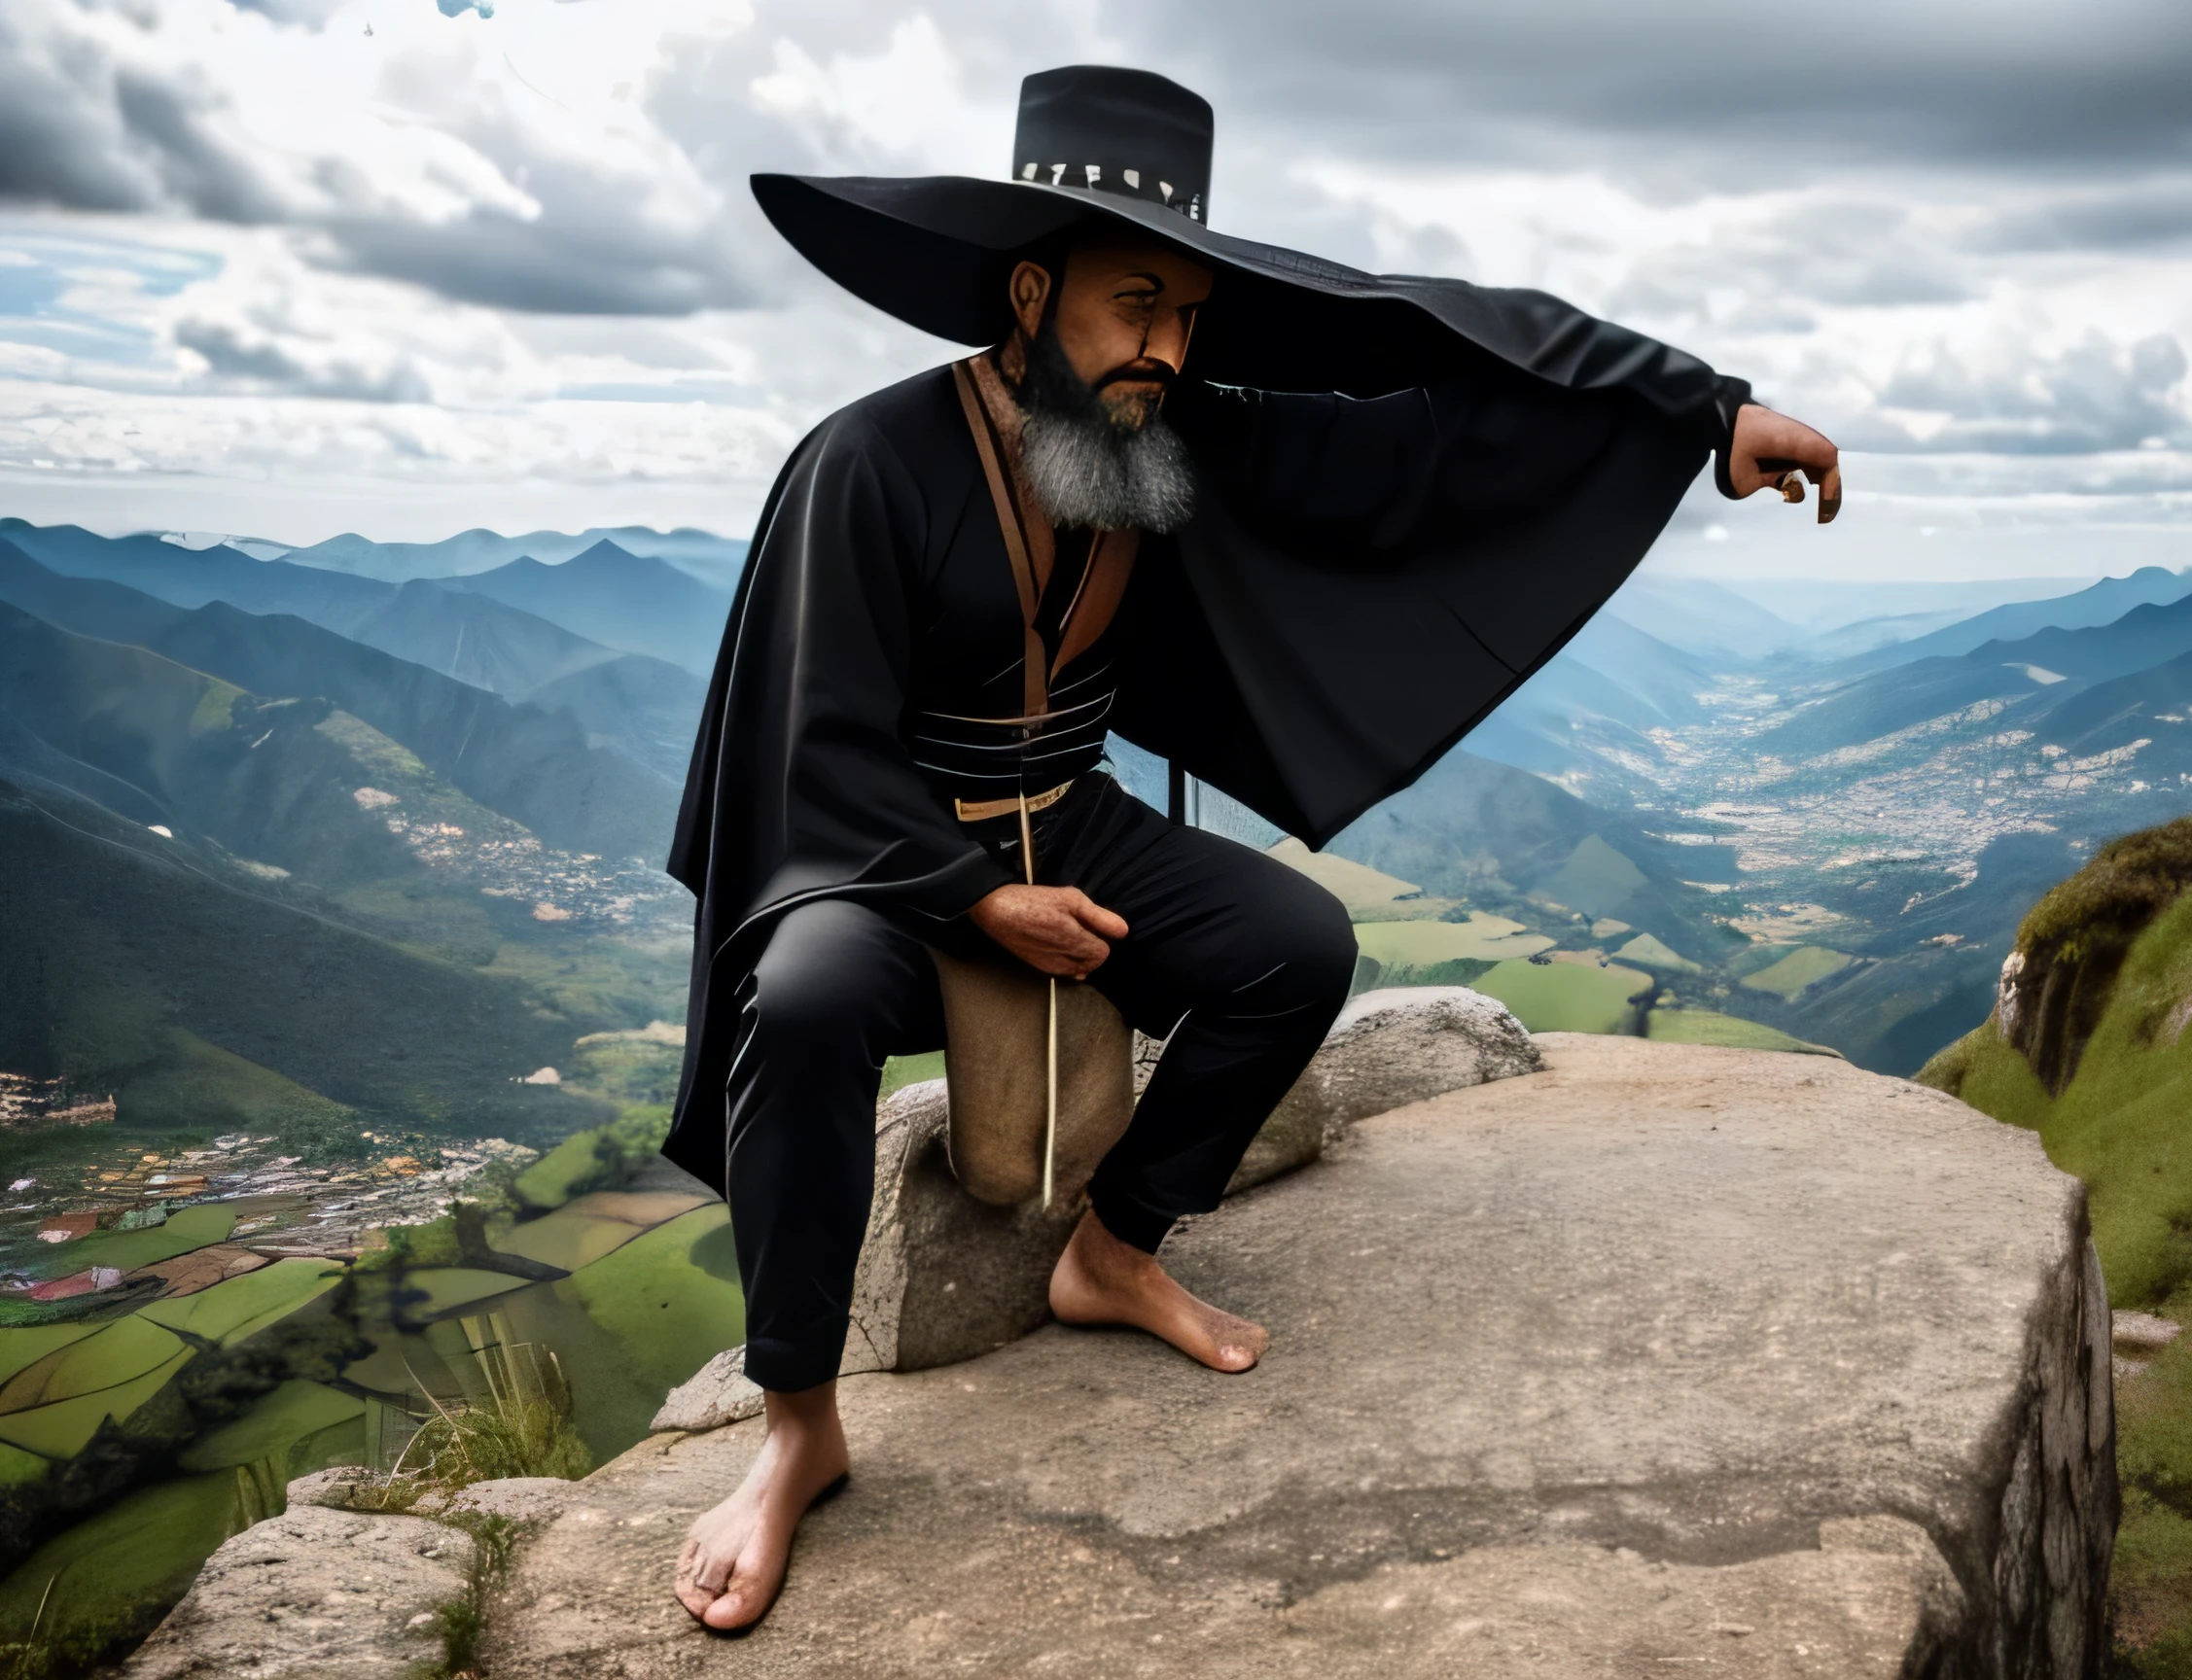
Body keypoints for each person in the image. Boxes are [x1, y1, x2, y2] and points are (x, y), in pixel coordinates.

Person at [659, 65, 1843, 1630]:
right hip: (892, 858)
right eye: (1133, 298)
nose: (1164, 340)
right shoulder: (866, 465)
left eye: (1189, 310)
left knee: (1298, 951)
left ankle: (1115, 1246)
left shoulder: (1167, 438)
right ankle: (799, 1434)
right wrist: (978, 899)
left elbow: (1445, 378)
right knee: (800, 1003)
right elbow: (809, 754)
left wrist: (1703, 412)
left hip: (1064, 820)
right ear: (1033, 288)